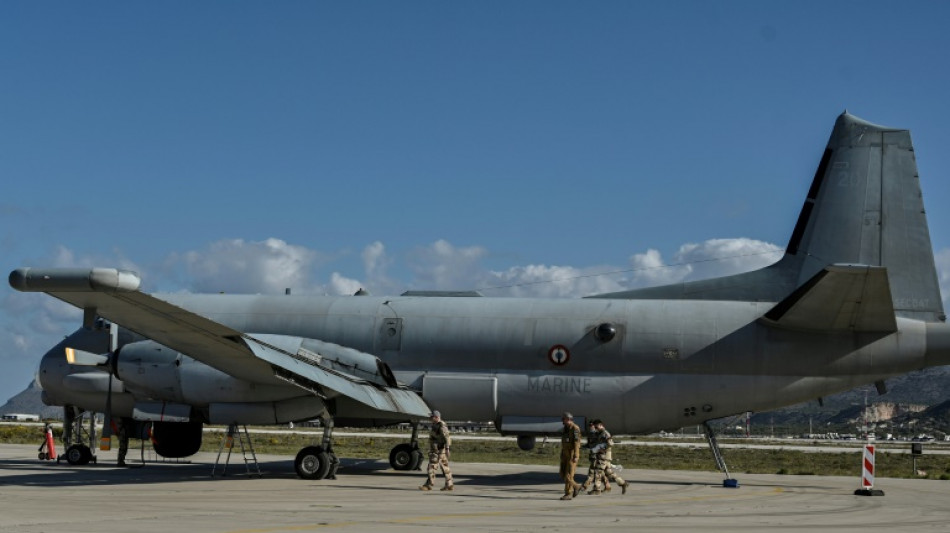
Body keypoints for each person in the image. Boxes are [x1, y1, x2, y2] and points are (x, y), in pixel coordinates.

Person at [588, 419, 628, 495]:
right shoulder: (599, 433)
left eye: (596, 427)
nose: (595, 429)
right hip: (601, 455)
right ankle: (622, 483)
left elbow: (610, 443)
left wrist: (602, 448)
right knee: (609, 472)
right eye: (595, 427)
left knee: (598, 471)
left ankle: (597, 489)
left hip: (604, 456)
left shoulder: (605, 433)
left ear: (601, 425)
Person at [419, 410, 454, 491]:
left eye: (432, 417)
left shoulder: (441, 425)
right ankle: (449, 484)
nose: (430, 418)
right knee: (445, 466)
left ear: (437, 417)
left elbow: (447, 437)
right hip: (439, 449)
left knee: (431, 466)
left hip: (438, 450)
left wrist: (447, 449)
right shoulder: (436, 425)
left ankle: (428, 485)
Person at [578, 419, 610, 493]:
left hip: (598, 456)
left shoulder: (598, 434)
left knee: (592, 472)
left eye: (592, 425)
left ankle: (585, 486)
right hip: (593, 455)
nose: (591, 427)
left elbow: (603, 444)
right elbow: (589, 444)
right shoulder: (591, 434)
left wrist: (600, 449)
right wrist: (582, 447)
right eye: (590, 425)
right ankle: (607, 485)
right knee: (600, 472)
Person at [559, 412, 582, 500]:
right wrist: (562, 454)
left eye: (564, 419)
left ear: (568, 419)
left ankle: (568, 493)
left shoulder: (575, 428)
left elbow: (576, 443)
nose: (563, 421)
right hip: (565, 454)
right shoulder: (565, 428)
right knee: (562, 473)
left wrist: (576, 455)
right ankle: (576, 486)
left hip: (571, 454)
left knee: (568, 475)